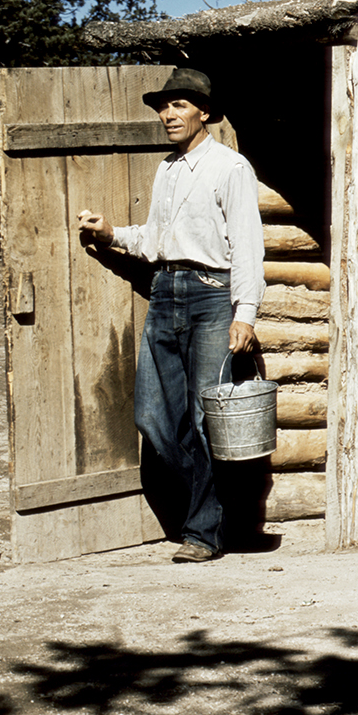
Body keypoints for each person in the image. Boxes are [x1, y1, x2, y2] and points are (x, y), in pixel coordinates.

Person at [76, 67, 264, 562]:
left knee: (206, 420)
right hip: (166, 292)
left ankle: (203, 531)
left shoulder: (230, 167)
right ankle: (221, 513)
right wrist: (111, 232)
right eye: (164, 106)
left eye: (179, 105)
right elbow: (157, 240)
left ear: (204, 112)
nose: (168, 114)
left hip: (210, 294)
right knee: (153, 417)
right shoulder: (167, 169)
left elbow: (247, 246)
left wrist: (244, 313)